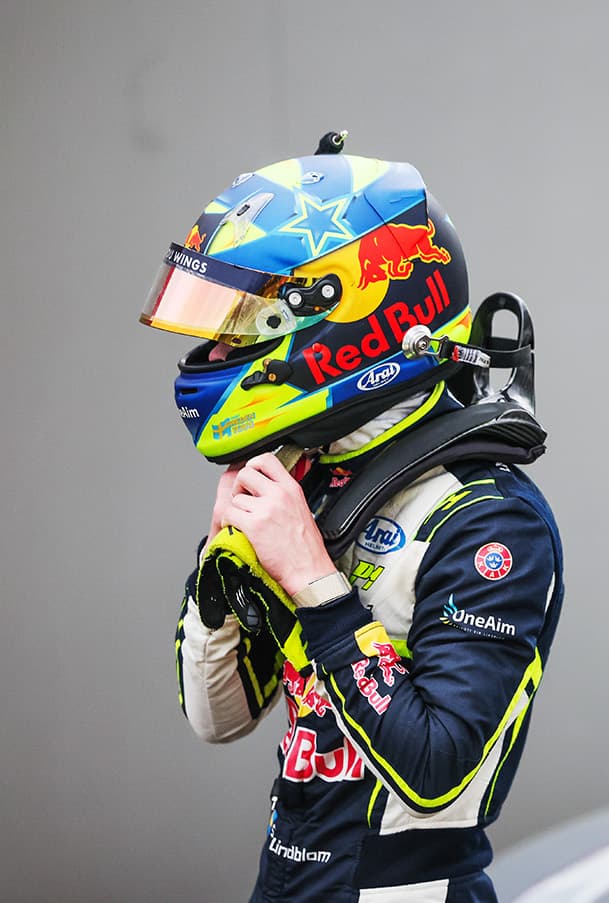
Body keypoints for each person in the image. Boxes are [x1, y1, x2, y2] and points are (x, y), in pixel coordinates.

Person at [141, 133, 564, 902]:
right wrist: (225, 560)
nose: (217, 348)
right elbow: (219, 718)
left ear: (347, 317)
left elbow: (435, 771)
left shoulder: (490, 520)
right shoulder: (323, 481)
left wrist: (315, 581)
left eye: (247, 322)